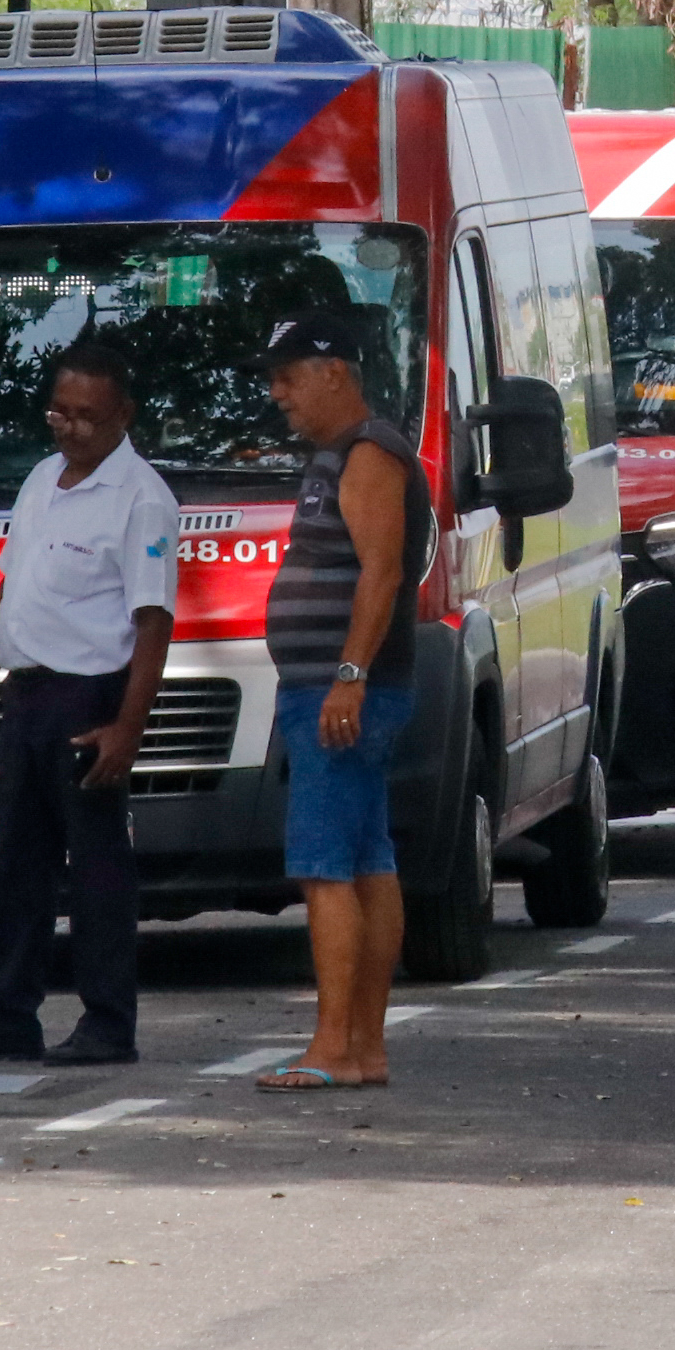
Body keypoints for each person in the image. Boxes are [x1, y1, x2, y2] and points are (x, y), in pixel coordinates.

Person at [0, 337, 174, 1068]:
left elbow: (153, 620)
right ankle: (7, 1014)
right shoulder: (41, 479)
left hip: (88, 697)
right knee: (16, 865)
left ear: (124, 414)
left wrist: (128, 727)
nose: (68, 427)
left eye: (87, 416)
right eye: (58, 412)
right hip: (25, 693)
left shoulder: (141, 500)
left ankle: (106, 1021)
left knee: (96, 866)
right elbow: (12, 585)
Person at [253, 312, 430, 1094]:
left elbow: (383, 572)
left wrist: (349, 675)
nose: (278, 394)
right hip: (333, 689)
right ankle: (362, 1048)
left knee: (327, 868)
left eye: (289, 376)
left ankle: (333, 1045)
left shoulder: (369, 452)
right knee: (365, 862)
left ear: (334, 372)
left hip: (341, 693)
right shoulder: (339, 455)